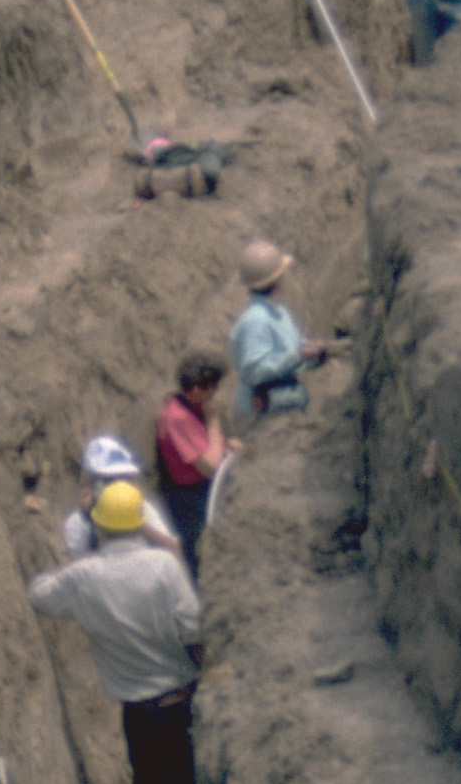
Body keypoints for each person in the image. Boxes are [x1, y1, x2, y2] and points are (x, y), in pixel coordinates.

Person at [27, 481, 214, 784]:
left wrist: (81, 560)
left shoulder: (84, 576)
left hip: (137, 714)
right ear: (140, 523)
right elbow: (192, 629)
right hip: (180, 704)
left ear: (99, 528)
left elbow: (38, 592)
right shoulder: (164, 567)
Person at [155, 352, 238, 580]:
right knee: (199, 557)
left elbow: (211, 447)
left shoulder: (191, 406)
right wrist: (213, 423)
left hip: (202, 489)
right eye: (213, 387)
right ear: (197, 388)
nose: (214, 393)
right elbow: (209, 467)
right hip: (190, 497)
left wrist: (224, 444)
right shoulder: (177, 417)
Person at [229, 243, 328, 427]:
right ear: (278, 279)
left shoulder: (278, 311)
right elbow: (255, 371)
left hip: (283, 404)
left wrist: (314, 356)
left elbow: (289, 353)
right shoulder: (256, 320)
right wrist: (299, 355)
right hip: (264, 414)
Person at [61, 433, 181, 562]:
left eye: (124, 477)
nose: (118, 484)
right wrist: (92, 518)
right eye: (110, 479)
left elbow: (174, 552)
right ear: (91, 482)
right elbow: (78, 571)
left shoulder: (143, 509)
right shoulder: (78, 522)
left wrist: (134, 520)